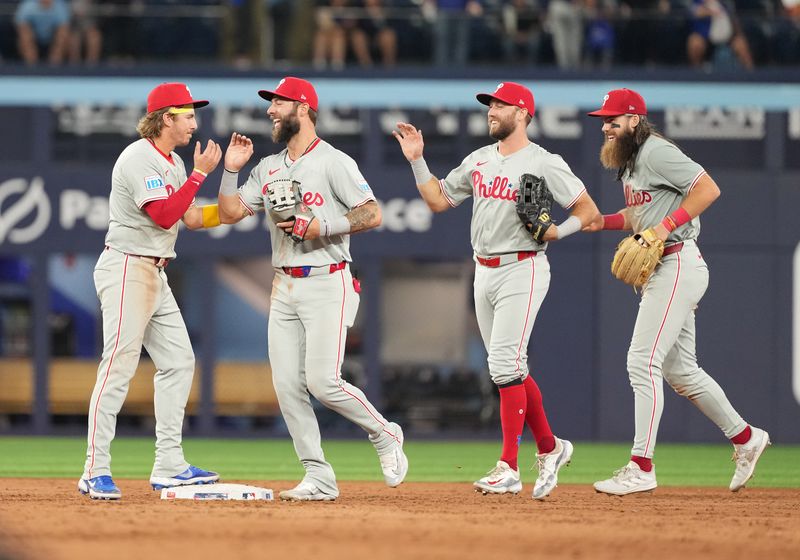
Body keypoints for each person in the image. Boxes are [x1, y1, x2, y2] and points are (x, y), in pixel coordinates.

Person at [393, 81, 602, 500]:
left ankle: (508, 466)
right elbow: (438, 201)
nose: (491, 111)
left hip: (522, 268)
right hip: (483, 270)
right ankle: (551, 447)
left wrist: (559, 230)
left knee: (506, 364)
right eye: (490, 105)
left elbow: (590, 212)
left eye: (500, 105)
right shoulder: (479, 160)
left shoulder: (544, 162)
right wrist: (417, 161)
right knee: (507, 369)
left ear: (523, 113)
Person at [217, 76, 408, 502]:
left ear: (302, 108)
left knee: (322, 382)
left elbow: (372, 213)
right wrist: (230, 170)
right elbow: (230, 213)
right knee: (287, 387)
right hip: (283, 284)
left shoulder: (334, 162)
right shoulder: (268, 167)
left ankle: (384, 432)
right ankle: (318, 476)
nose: (270, 110)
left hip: (327, 279)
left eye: (278, 103)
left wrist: (325, 226)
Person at [585, 88, 770, 495]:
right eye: (603, 120)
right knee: (680, 371)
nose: (606, 126)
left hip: (676, 260)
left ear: (635, 120)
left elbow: (708, 189)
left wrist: (664, 228)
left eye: (613, 119)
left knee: (641, 361)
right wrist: (606, 221)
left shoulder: (654, 151)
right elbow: (640, 213)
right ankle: (746, 438)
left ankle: (641, 466)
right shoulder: (632, 161)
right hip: (667, 265)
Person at [78, 82, 224, 500]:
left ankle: (169, 464)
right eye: (188, 115)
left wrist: (237, 210)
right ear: (165, 119)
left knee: (179, 361)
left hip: (154, 272)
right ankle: (94, 469)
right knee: (118, 366)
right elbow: (162, 216)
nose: (195, 123)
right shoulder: (138, 156)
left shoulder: (173, 161)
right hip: (126, 267)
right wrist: (200, 174)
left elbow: (190, 217)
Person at [14, 0, 71, 65]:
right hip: (34, 40)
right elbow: (22, 27)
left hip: (53, 40)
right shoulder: (28, 5)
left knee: (63, 37)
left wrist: (57, 51)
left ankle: (54, 68)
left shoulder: (60, 6)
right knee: (24, 37)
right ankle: (32, 67)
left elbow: (64, 29)